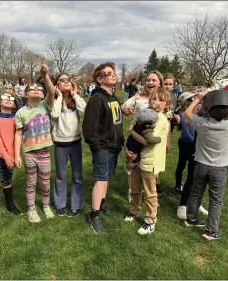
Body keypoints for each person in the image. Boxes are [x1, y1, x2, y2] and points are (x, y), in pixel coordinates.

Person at [184, 89, 228, 240]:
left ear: (208, 108)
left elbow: (187, 114)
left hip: (200, 165)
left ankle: (191, 218)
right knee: (216, 199)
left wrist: (198, 99)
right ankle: (211, 231)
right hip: (219, 168)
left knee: (196, 192)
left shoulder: (202, 123)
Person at [82, 61, 124, 235]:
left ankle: (103, 203)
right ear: (99, 79)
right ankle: (94, 214)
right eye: (108, 73)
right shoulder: (97, 98)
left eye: (113, 72)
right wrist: (97, 147)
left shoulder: (112, 97)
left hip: (114, 146)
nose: (113, 74)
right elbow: (88, 128)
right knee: (101, 179)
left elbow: (115, 122)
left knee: (106, 178)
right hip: (103, 147)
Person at [14, 58, 55, 223]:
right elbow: (18, 134)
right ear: (25, 94)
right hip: (29, 153)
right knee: (31, 183)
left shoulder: (46, 105)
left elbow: (52, 92)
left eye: (39, 88)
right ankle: (31, 209)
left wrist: (45, 76)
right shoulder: (20, 113)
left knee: (45, 183)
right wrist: (17, 154)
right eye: (32, 88)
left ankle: (45, 206)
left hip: (44, 152)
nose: (37, 89)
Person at [126, 88, 170, 235]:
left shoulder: (161, 120)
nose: (156, 102)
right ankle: (134, 211)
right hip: (139, 158)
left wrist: (131, 131)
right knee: (135, 188)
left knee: (150, 193)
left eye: (160, 100)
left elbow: (147, 141)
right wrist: (128, 149)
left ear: (166, 104)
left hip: (151, 161)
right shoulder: (146, 114)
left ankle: (150, 220)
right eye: (153, 99)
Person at [45, 71, 86, 217]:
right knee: (60, 175)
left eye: (68, 79)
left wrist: (74, 94)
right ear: (57, 85)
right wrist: (60, 97)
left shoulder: (76, 99)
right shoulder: (53, 99)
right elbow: (55, 115)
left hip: (75, 142)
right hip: (60, 143)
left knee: (77, 175)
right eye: (62, 80)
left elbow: (84, 111)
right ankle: (60, 205)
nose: (66, 82)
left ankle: (76, 205)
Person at [0, 94, 21, 223]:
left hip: (12, 156)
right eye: (5, 97)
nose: (9, 100)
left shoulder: (16, 119)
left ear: (14, 105)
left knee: (7, 181)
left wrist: (13, 155)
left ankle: (10, 204)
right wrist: (6, 156)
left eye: (12, 99)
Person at [124, 107, 161, 173]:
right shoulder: (147, 131)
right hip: (136, 148)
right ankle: (128, 167)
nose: (156, 124)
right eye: (155, 123)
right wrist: (159, 139)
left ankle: (128, 162)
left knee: (130, 157)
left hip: (130, 143)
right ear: (148, 125)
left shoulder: (137, 124)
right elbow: (151, 140)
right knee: (135, 161)